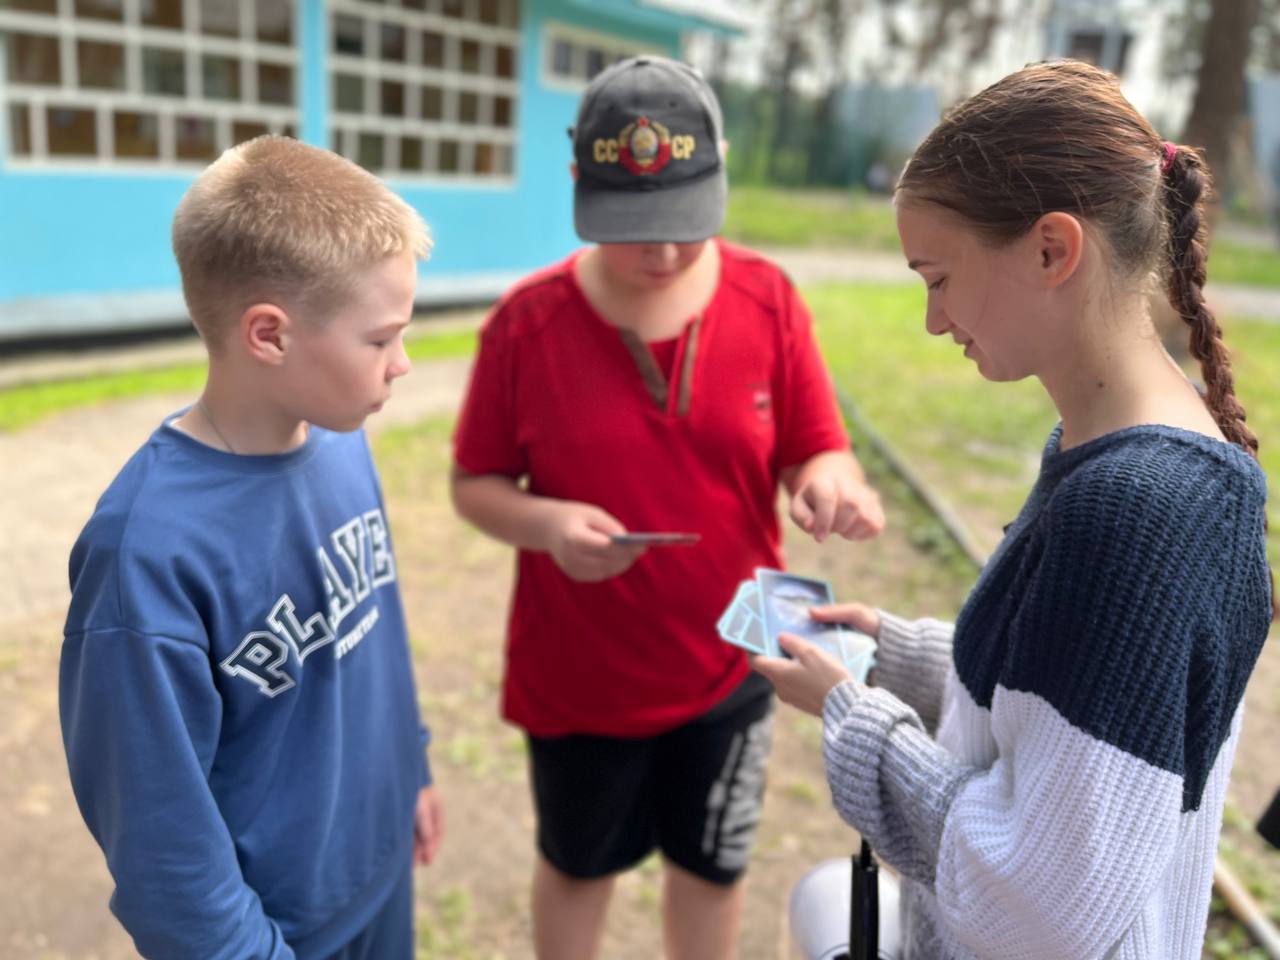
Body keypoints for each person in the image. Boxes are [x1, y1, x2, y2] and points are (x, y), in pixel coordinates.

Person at [755, 59, 1273, 959]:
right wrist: (898, 657)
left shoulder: (1137, 513)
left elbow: (1035, 904)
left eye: (937, 277)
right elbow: (1061, 702)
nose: (932, 319)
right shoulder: (1119, 453)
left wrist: (853, 714)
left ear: (1050, 250)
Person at [450, 55, 884, 960]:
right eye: (633, 229)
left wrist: (829, 481)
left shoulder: (768, 300)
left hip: (733, 670)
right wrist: (546, 526)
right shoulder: (525, 325)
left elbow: (818, 445)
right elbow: (474, 484)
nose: (662, 254)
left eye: (685, 225)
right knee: (577, 870)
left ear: (720, 173)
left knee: (712, 875)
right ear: (579, 184)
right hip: (580, 681)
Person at [59, 136, 443, 960]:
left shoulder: (342, 439)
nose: (402, 364)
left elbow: (375, 629)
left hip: (376, 878)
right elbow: (161, 851)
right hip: (278, 936)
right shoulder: (144, 556)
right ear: (269, 335)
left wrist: (409, 766)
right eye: (381, 339)